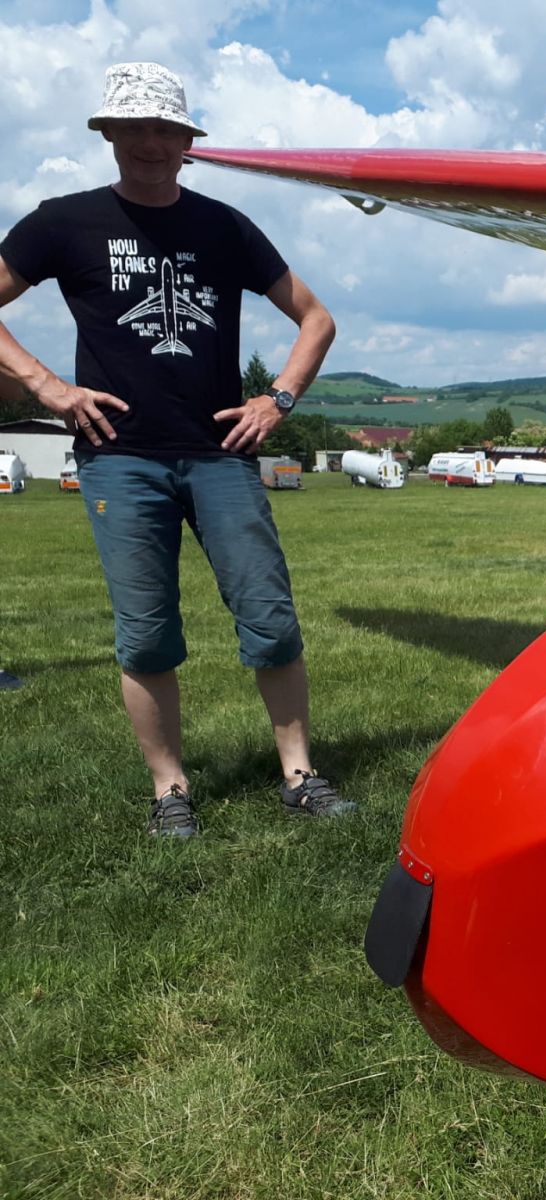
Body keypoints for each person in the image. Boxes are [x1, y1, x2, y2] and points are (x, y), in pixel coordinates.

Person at [0, 62, 352, 837]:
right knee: (147, 630)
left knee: (269, 615)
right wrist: (45, 385)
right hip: (118, 457)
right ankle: (170, 791)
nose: (151, 143)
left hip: (219, 453)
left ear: (188, 141)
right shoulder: (63, 223)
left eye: (166, 128)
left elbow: (316, 318)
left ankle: (300, 776)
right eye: (135, 127)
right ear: (109, 134)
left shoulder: (224, 227)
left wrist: (277, 399)